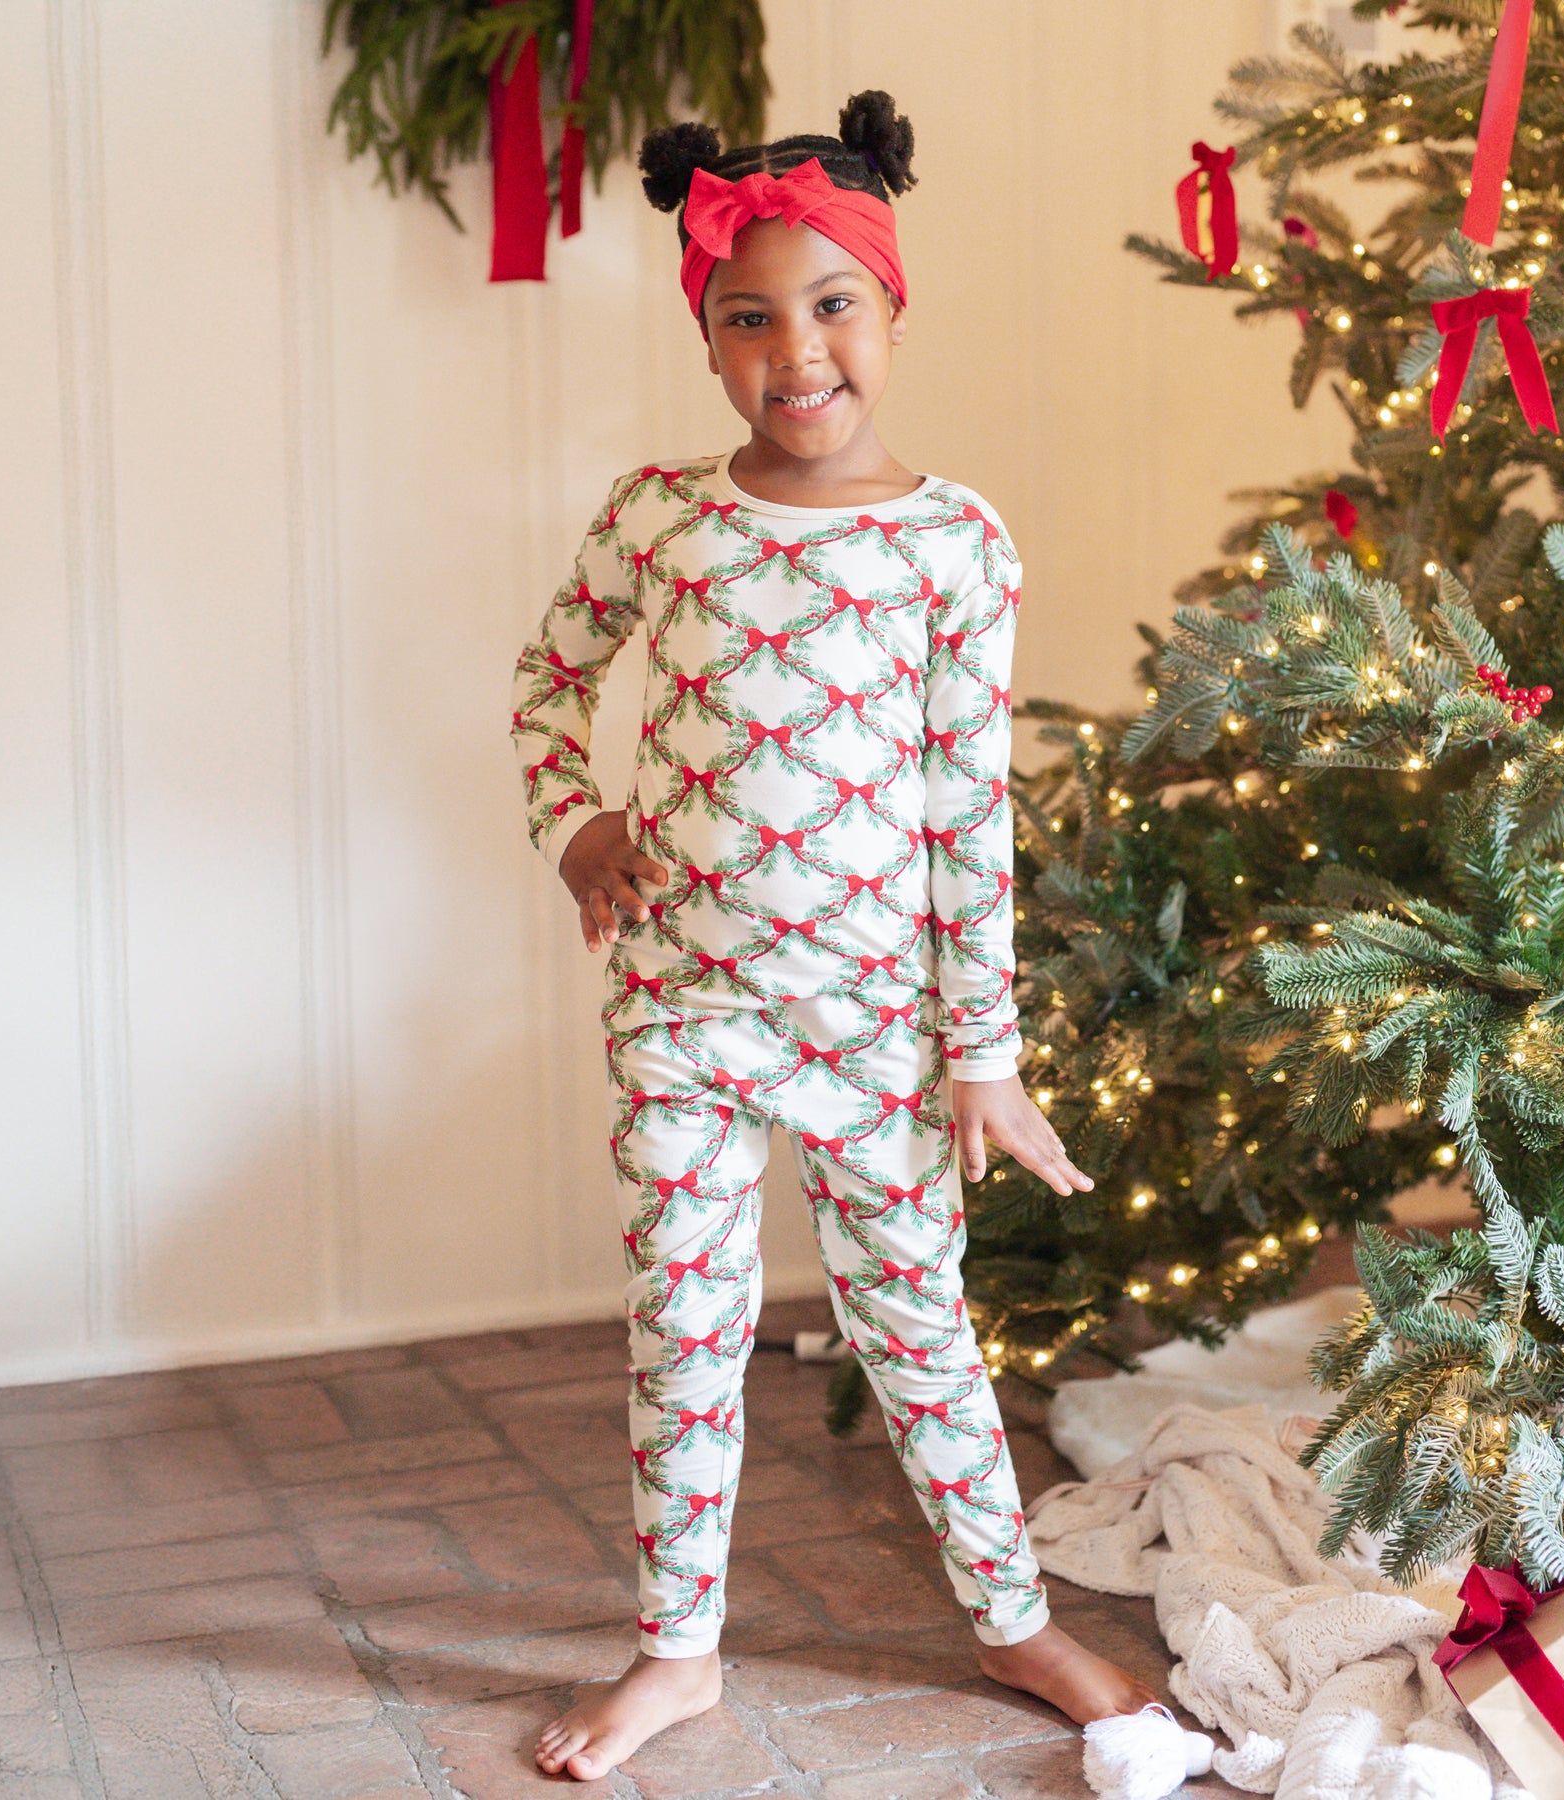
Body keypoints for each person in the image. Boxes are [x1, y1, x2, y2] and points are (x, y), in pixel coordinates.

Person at [511, 92, 1154, 1782]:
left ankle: (1011, 1621)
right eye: (749, 318)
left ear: (891, 305)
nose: (795, 353)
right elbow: (549, 681)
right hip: (681, 1017)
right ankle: (677, 1653)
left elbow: (965, 810)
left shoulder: (954, 546)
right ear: (709, 338)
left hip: (873, 1029)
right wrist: (576, 823)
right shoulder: (663, 517)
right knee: (688, 1328)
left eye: (830, 306)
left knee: (919, 1324)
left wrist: (983, 1053)